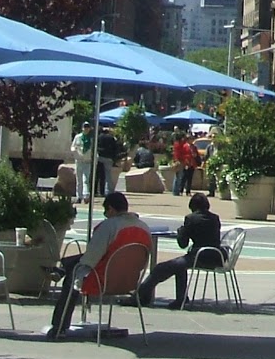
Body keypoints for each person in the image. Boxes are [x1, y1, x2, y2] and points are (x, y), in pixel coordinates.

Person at [45, 192, 153, 340]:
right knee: (80, 261)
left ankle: (59, 327)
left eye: (105, 212)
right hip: (130, 281)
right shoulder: (144, 228)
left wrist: (77, 264)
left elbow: (91, 258)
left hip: (103, 280)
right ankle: (62, 267)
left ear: (111, 209)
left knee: (74, 274)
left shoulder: (108, 226)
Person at [131, 193, 222, 308]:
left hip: (199, 257)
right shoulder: (215, 218)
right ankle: (181, 299)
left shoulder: (191, 218)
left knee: (160, 268)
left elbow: (182, 244)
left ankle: (140, 296)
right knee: (179, 266)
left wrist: (182, 231)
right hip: (216, 256)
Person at [71, 122, 94, 202]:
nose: (86, 129)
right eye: (85, 127)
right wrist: (75, 153)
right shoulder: (78, 137)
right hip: (79, 161)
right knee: (79, 179)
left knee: (86, 179)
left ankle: (86, 196)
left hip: (87, 161)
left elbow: (94, 150)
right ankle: (79, 196)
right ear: (82, 128)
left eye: (87, 127)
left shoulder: (91, 139)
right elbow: (73, 147)